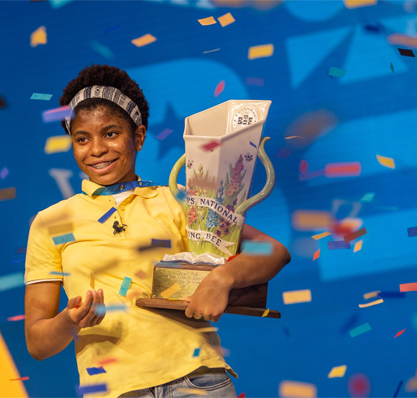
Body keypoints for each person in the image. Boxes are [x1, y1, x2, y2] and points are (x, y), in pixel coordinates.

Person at [24, 65, 291, 398]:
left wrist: (222, 278)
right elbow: (37, 343)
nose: (96, 149)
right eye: (82, 139)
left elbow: (274, 252)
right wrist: (69, 321)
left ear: (138, 136)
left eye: (110, 133)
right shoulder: (50, 222)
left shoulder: (180, 199)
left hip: (198, 381)